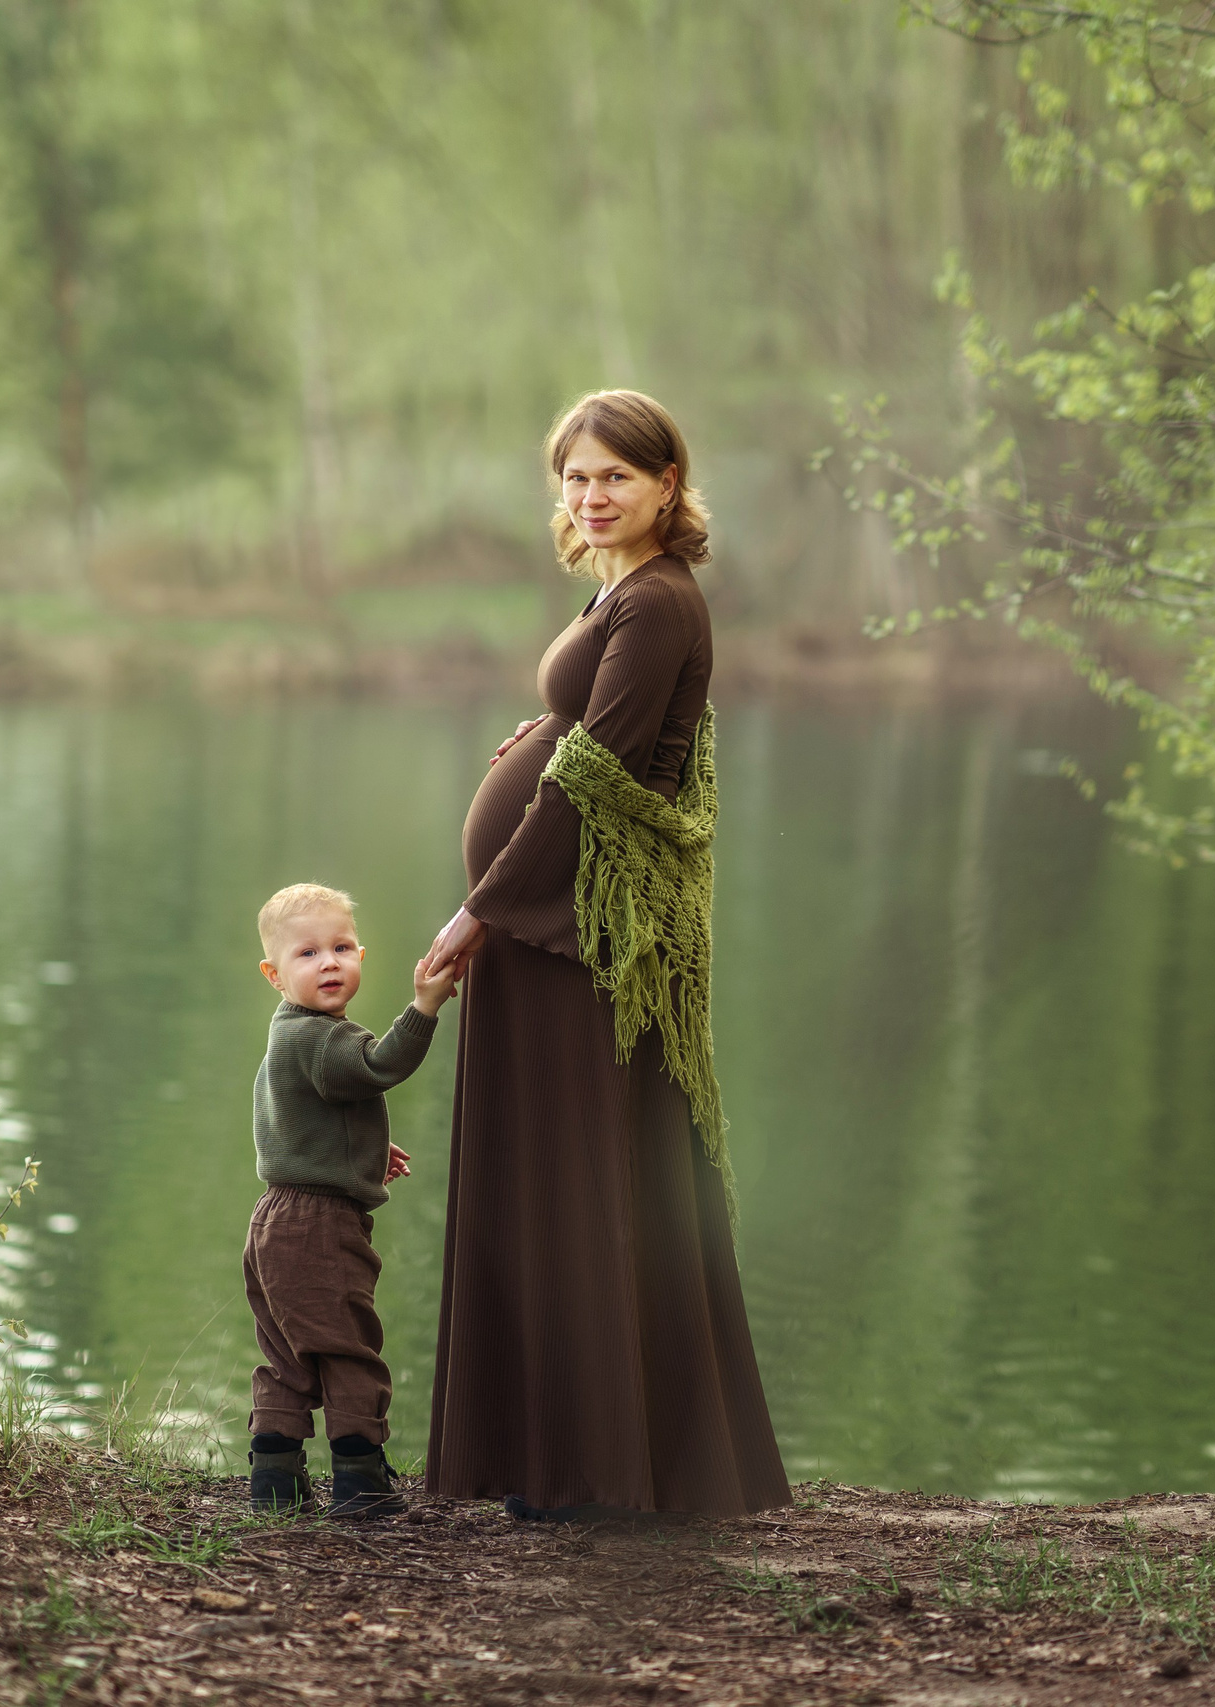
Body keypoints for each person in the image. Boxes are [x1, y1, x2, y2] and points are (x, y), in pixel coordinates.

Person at [420, 390, 790, 1519]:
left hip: (585, 930)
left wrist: (480, 908)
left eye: (614, 477)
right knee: (549, 1183)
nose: (590, 496)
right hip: (561, 920)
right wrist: (540, 736)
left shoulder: (661, 601)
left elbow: (603, 772)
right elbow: (594, 740)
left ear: (667, 484)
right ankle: (545, 1457)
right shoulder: (620, 591)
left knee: (585, 1187)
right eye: (575, 478)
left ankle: (601, 1469)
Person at [245, 882, 458, 1518]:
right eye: (307, 954)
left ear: (362, 954)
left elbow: (298, 1117)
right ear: (274, 974)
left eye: (341, 947)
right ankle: (361, 1481)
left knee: (286, 1354)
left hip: (276, 1218)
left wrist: (360, 1154)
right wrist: (424, 1007)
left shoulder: (291, 1035)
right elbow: (378, 1066)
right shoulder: (322, 1039)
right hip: (317, 1225)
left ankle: (275, 1482)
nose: (329, 962)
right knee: (348, 1347)